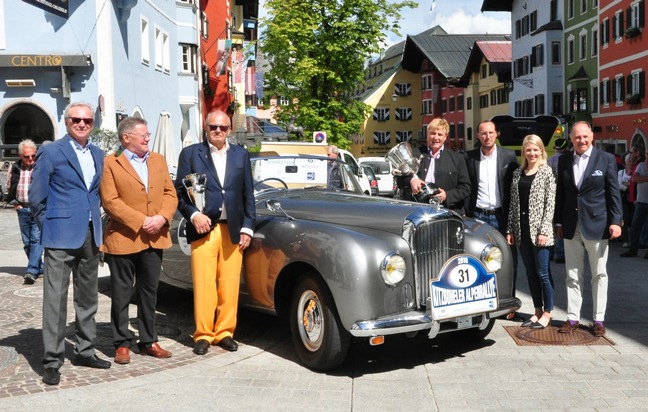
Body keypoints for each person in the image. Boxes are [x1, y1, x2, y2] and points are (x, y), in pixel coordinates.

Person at [29, 102, 110, 386]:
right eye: (76, 119)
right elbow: (35, 198)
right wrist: (50, 227)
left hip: (90, 234)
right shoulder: (51, 152)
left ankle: (85, 350)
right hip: (60, 237)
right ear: (66, 121)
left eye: (87, 120)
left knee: (88, 298)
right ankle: (52, 360)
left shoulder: (98, 154)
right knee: (55, 300)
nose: (81, 124)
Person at [175, 109, 255, 355]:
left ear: (229, 130)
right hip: (204, 228)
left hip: (232, 229)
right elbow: (180, 192)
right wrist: (193, 215)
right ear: (206, 129)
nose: (218, 131)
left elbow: (247, 193)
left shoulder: (241, 155)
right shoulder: (191, 154)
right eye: (213, 127)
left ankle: (225, 332)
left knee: (230, 285)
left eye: (222, 127)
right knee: (204, 283)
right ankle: (203, 334)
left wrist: (248, 227)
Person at [100, 117, 178, 365]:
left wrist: (163, 217)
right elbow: (110, 201)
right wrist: (142, 221)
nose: (147, 138)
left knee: (149, 293)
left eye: (148, 134)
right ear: (126, 138)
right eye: (143, 134)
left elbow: (170, 193)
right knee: (122, 293)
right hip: (124, 238)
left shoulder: (158, 160)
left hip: (154, 237)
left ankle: (148, 340)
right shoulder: (111, 163)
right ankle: (121, 342)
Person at [554, 121, 622, 337]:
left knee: (599, 274)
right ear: (571, 139)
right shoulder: (564, 160)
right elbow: (562, 194)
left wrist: (616, 221)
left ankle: (598, 319)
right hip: (571, 225)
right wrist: (558, 222)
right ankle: (573, 317)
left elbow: (613, 193)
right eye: (577, 137)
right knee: (572, 274)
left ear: (591, 137)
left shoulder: (606, 159)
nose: (581, 140)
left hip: (598, 225)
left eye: (584, 136)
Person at [464, 120, 520, 320]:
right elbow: (466, 187)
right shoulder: (469, 158)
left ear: (497, 134)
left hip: (501, 215)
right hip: (478, 216)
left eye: (491, 132)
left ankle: (508, 304)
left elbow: (514, 190)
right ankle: (479, 303)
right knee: (478, 260)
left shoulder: (509, 156)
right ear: (478, 136)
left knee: (507, 259)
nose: (487, 136)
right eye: (483, 133)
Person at [506, 135, 556, 329]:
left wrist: (544, 230)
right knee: (530, 272)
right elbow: (513, 204)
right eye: (529, 150)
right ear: (524, 151)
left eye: (536, 149)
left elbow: (550, 204)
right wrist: (510, 228)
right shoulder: (518, 173)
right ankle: (536, 310)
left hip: (540, 231)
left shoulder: (546, 173)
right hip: (522, 228)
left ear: (541, 150)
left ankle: (548, 312)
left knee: (543, 272)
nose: (532, 153)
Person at [396, 118, 471, 213]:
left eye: (440, 134)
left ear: (445, 136)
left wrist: (447, 195)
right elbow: (399, 180)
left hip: (447, 211)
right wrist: (411, 180)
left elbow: (466, 187)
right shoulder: (414, 154)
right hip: (416, 210)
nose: (436, 138)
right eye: (432, 133)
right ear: (427, 134)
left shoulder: (457, 158)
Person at [7, 139, 44, 284]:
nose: (30, 159)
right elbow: (10, 185)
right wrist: (15, 203)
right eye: (27, 156)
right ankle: (39, 267)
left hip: (37, 208)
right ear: (20, 155)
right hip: (22, 207)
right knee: (27, 241)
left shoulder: (40, 167)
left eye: (33, 156)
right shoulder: (15, 167)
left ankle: (32, 270)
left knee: (36, 239)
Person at [620, 148, 648, 259]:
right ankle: (633, 249)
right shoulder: (641, 165)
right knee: (635, 226)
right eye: (646, 153)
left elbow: (637, 178)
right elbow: (634, 179)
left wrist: (642, 178)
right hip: (641, 201)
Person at [547, 138, 569, 263]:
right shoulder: (565, 160)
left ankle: (550, 251)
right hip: (563, 195)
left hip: (551, 194)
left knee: (551, 223)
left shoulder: (549, 160)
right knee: (561, 223)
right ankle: (560, 252)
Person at [618, 153, 636, 247]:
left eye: (632, 161)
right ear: (625, 162)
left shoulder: (635, 172)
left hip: (634, 199)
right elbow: (619, 185)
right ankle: (625, 240)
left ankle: (633, 240)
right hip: (624, 199)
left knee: (633, 220)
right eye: (629, 161)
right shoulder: (621, 172)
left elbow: (635, 183)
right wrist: (628, 187)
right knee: (625, 218)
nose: (631, 163)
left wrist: (626, 184)